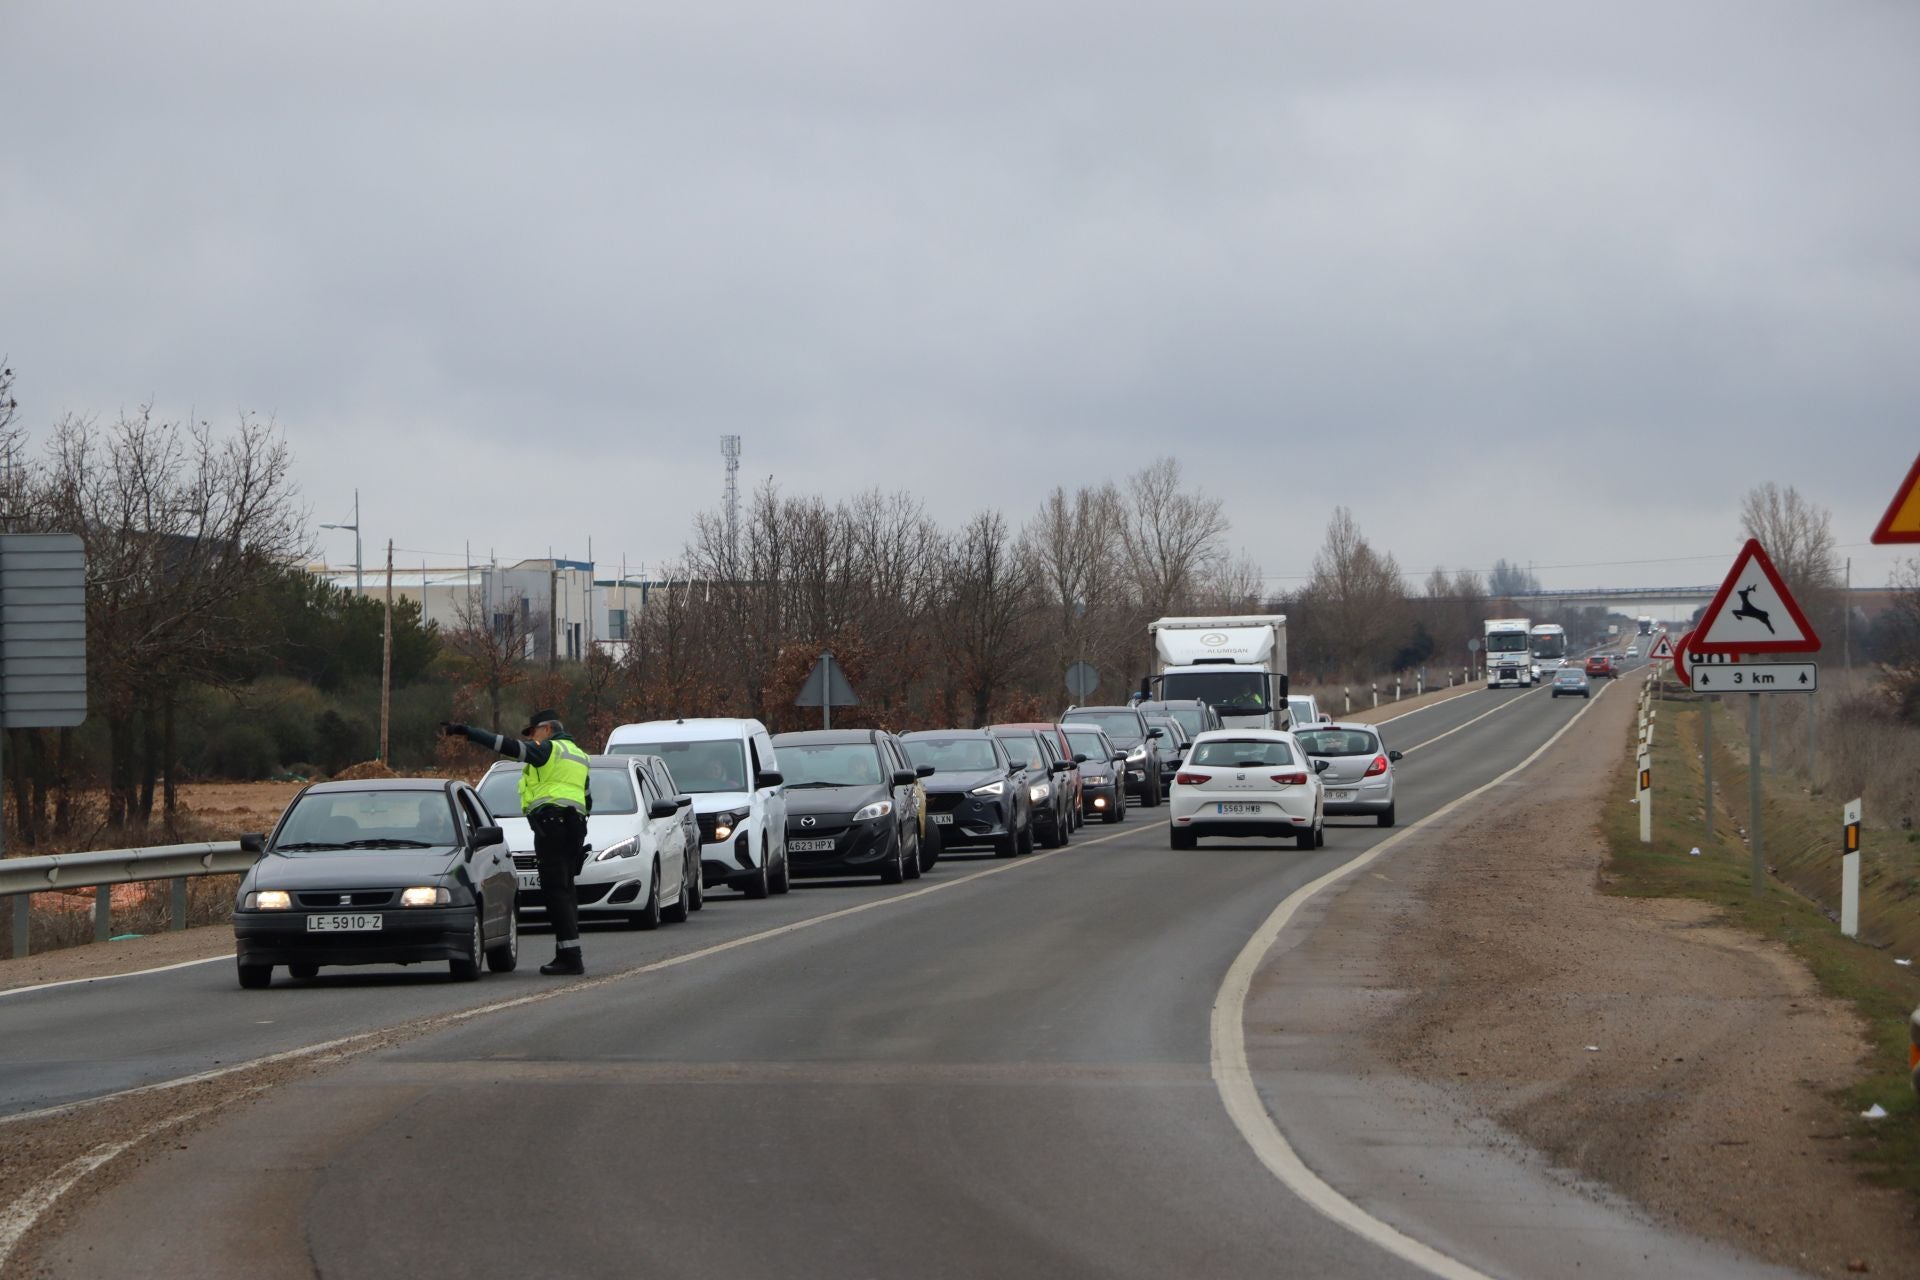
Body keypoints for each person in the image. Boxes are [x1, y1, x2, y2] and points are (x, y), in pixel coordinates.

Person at [442, 709, 591, 976]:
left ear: (546, 729)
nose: (532, 738)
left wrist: (469, 732)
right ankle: (570, 951)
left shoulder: (548, 750)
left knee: (555, 892)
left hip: (552, 825)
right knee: (566, 892)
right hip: (574, 827)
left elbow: (506, 746)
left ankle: (571, 958)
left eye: (533, 732)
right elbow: (587, 798)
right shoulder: (579, 755)